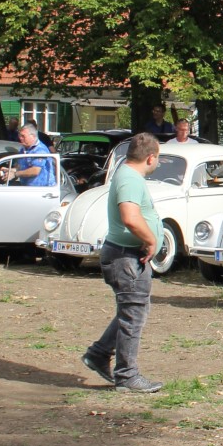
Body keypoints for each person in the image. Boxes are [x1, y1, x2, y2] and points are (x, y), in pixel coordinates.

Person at [81, 133, 166, 393]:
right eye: (158, 158)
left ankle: (98, 354)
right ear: (150, 157)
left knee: (130, 312)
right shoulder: (130, 178)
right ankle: (127, 375)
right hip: (126, 257)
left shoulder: (126, 173)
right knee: (133, 316)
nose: (157, 162)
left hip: (126, 255)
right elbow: (130, 217)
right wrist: (151, 240)